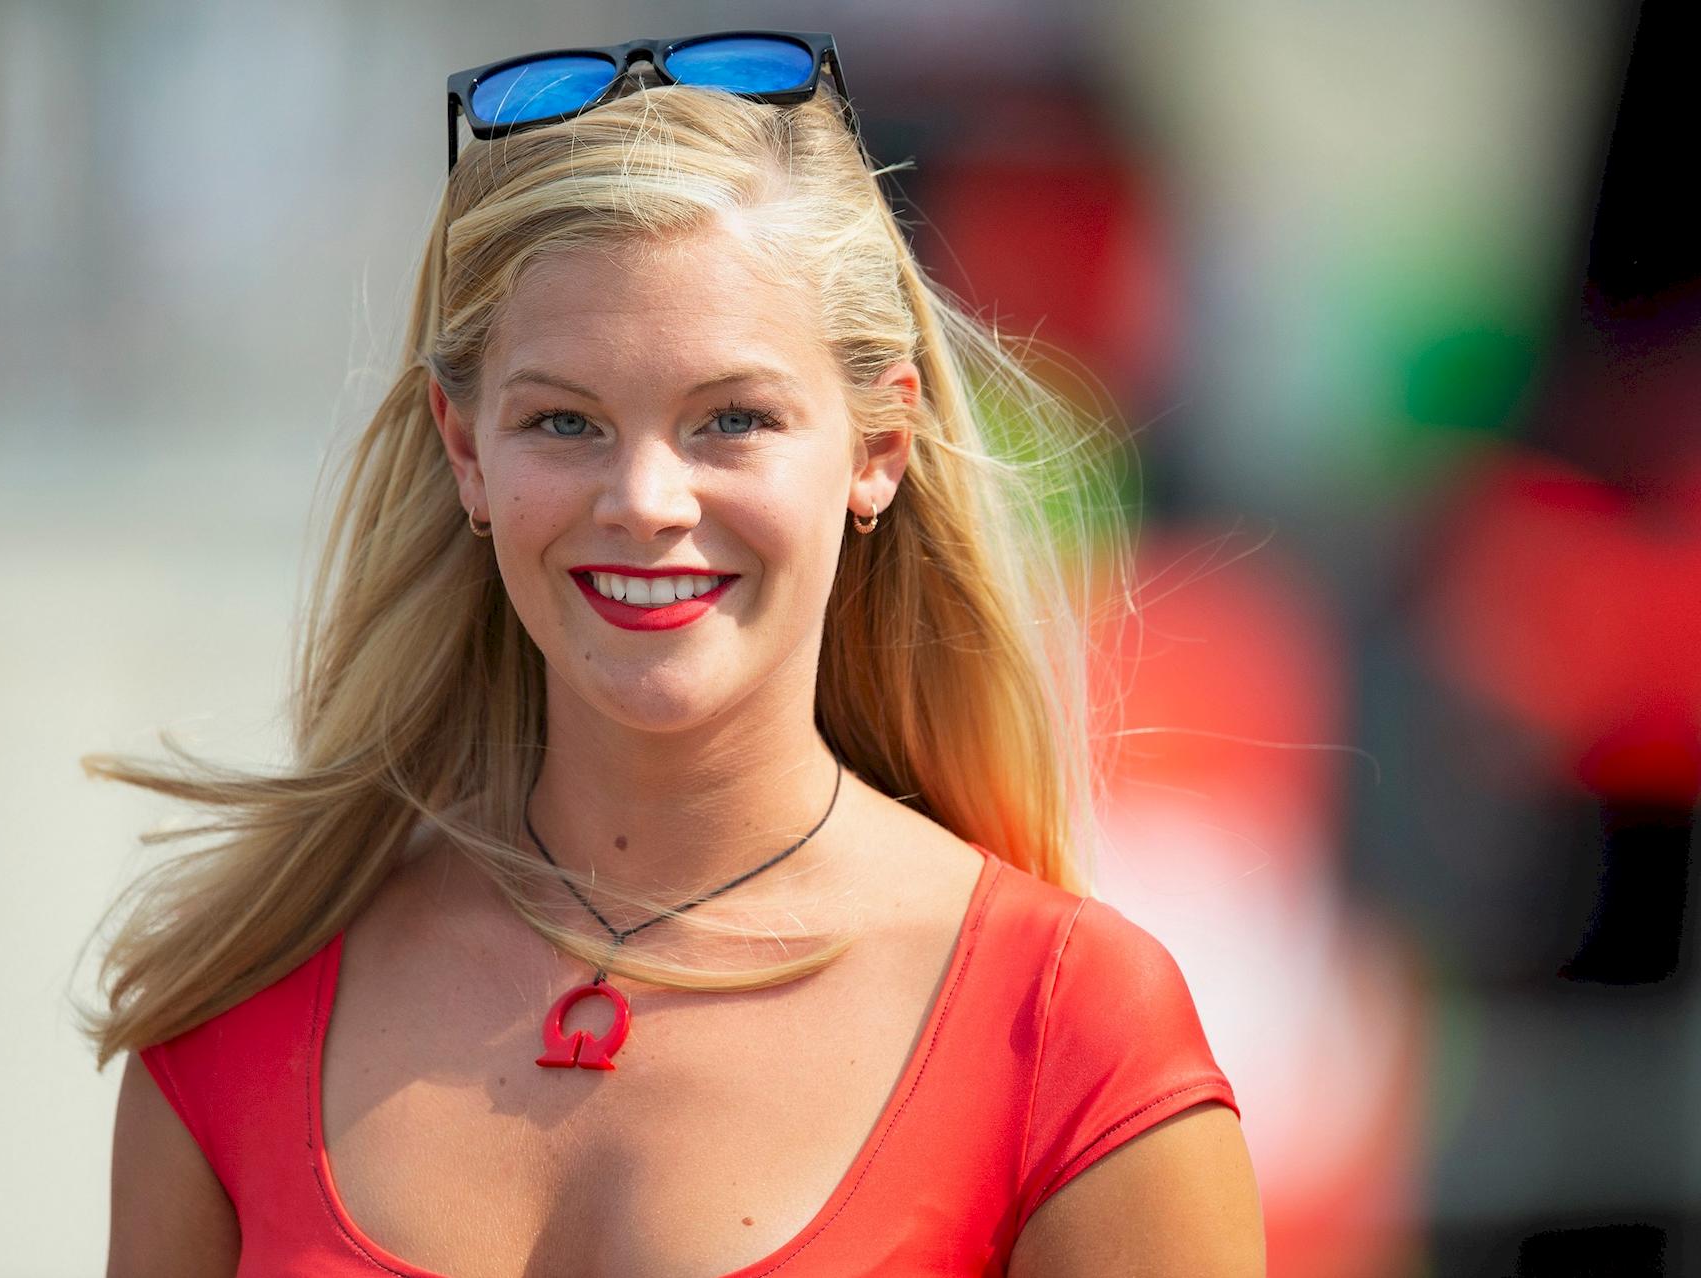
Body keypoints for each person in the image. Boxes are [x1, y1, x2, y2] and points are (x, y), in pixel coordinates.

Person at [86, 30, 1264, 1277]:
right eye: (564, 421)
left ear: (878, 444)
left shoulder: (1073, 1038)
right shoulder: (234, 1017)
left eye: (733, 419)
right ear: (466, 448)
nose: (645, 498)